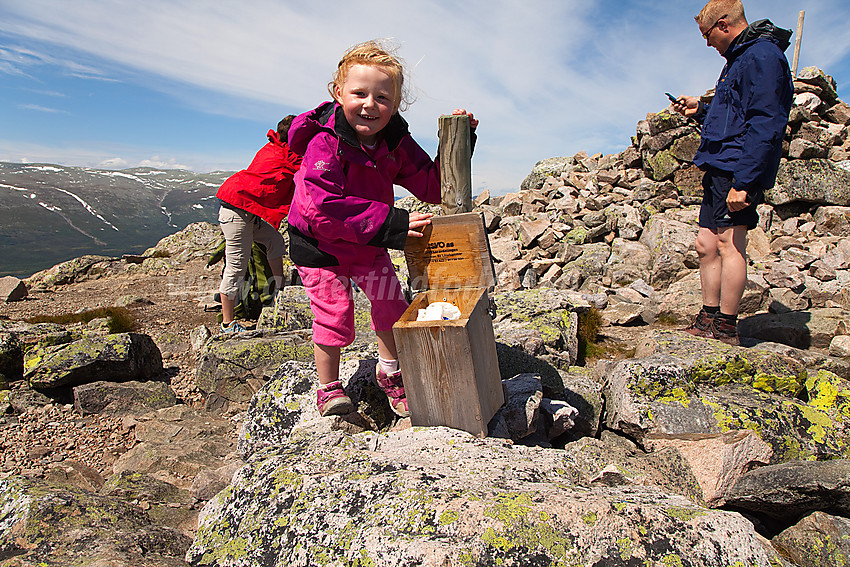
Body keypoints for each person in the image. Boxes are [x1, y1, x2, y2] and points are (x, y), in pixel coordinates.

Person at [286, 40, 478, 417]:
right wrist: (393, 223)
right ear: (337, 93)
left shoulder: (395, 143)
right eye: (359, 93)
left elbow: (432, 186)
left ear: (396, 104)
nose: (370, 104)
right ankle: (328, 387)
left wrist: (458, 139)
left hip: (366, 239)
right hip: (320, 245)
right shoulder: (325, 143)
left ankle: (389, 372)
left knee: (392, 304)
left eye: (382, 97)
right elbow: (322, 207)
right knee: (334, 312)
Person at [670, 0, 793, 346]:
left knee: (729, 242)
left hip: (738, 166)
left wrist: (745, 182)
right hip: (720, 162)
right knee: (706, 243)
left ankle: (726, 325)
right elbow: (732, 114)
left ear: (723, 25)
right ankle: (708, 316)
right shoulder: (740, 59)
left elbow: (767, 122)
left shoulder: (763, 57)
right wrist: (701, 108)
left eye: (707, 35)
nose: (707, 43)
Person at [215, 116, 303, 333]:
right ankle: (227, 324)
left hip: (245, 210)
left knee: (274, 240)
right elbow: (307, 170)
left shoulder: (273, 147)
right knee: (237, 266)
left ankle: (279, 289)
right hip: (237, 211)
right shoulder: (286, 157)